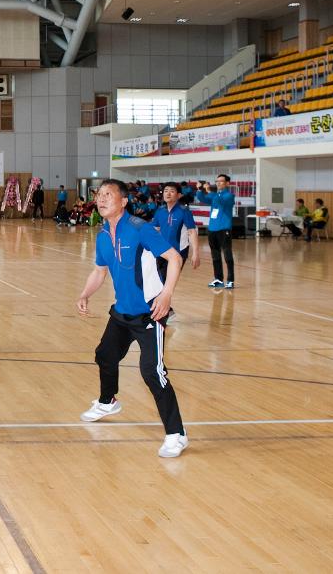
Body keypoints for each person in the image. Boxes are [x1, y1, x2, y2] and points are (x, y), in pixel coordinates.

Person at [76, 179, 187, 457]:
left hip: (150, 312)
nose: (101, 199)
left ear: (123, 201)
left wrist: (167, 294)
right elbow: (100, 271)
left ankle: (176, 434)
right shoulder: (103, 234)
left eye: (108, 195)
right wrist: (85, 294)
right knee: (105, 354)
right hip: (122, 311)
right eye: (99, 195)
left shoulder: (140, 229)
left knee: (152, 372)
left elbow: (174, 258)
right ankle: (107, 401)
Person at [195, 174, 236, 290]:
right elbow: (203, 198)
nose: (218, 183)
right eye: (217, 181)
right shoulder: (215, 195)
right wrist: (199, 189)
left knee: (227, 254)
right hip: (212, 228)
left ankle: (230, 280)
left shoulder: (229, 196)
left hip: (224, 228)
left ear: (227, 183)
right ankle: (218, 279)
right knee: (215, 255)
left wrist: (208, 190)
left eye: (221, 181)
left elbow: (220, 201)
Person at [151, 183, 200, 278]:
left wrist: (195, 253)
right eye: (166, 191)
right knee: (162, 282)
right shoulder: (160, 210)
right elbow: (155, 229)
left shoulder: (184, 211)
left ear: (179, 195)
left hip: (178, 251)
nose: (168, 193)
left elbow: (192, 232)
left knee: (168, 282)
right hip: (162, 251)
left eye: (172, 191)